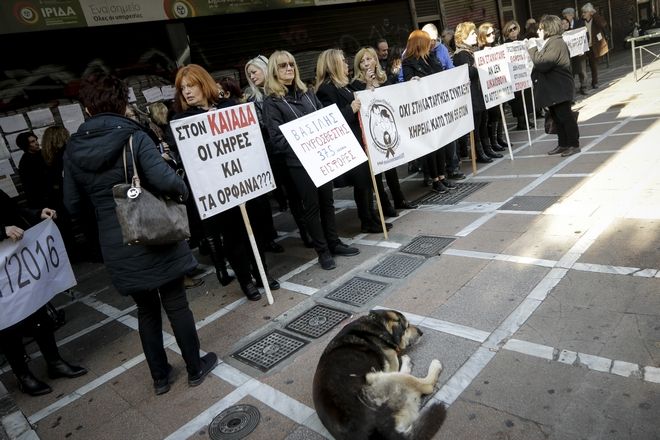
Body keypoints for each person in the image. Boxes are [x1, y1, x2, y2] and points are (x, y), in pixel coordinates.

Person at [63, 71, 218, 395]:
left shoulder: (73, 149)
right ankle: (194, 367)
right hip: (155, 233)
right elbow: (166, 182)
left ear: (87, 109)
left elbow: (73, 206)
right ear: (122, 104)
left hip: (117, 243)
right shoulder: (134, 137)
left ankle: (160, 378)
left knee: (145, 310)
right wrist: (183, 190)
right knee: (176, 303)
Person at [172, 64, 279, 298]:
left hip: (246, 184)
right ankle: (245, 280)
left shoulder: (230, 108)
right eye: (182, 89)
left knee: (256, 231)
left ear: (204, 84)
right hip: (219, 190)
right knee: (233, 238)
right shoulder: (183, 121)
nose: (187, 92)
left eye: (191, 86)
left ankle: (261, 272)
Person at [263, 50, 360, 270]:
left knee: (327, 202)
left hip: (321, 157)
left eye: (291, 64)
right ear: (274, 71)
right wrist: (303, 146)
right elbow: (277, 139)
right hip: (299, 164)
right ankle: (322, 251)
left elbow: (324, 119)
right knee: (312, 207)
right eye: (282, 66)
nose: (289, 68)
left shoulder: (307, 92)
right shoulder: (272, 102)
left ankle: (334, 243)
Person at [0, 189, 87, 396]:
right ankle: (23, 375)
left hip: (16, 264)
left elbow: (13, 209)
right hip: (4, 275)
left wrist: (37, 213)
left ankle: (54, 362)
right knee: (8, 326)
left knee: (38, 312)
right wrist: (2, 230)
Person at [315, 49, 393, 234]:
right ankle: (366, 220)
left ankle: (372, 216)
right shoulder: (326, 89)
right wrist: (350, 109)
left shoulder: (343, 85)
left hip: (360, 139)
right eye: (342, 61)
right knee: (362, 182)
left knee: (366, 181)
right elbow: (330, 119)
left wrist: (367, 87)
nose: (346, 64)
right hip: (349, 142)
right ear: (333, 64)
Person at [351, 46, 418, 213]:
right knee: (378, 172)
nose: (366, 63)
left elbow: (396, 95)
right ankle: (384, 204)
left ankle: (399, 198)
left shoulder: (384, 78)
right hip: (372, 133)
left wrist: (409, 85)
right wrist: (367, 84)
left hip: (388, 129)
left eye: (369, 59)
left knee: (391, 166)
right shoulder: (356, 84)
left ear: (375, 60)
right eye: (362, 61)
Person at [401, 30, 455, 193]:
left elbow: (440, 75)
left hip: (436, 108)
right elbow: (407, 82)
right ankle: (434, 179)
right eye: (428, 41)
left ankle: (442, 176)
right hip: (423, 111)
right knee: (432, 147)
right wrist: (413, 81)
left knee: (440, 144)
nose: (432, 43)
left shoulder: (431, 58)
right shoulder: (408, 62)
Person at [528, 15, 581, 157]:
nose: (538, 32)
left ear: (548, 29)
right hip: (553, 89)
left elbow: (542, 63)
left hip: (560, 88)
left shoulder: (556, 43)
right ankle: (563, 144)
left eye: (540, 29)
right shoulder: (551, 42)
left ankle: (574, 144)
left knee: (565, 117)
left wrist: (532, 49)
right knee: (557, 118)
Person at [421, 23, 465, 180]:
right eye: (428, 40)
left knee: (450, 135)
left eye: (434, 39)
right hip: (427, 105)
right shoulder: (415, 52)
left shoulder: (441, 50)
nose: (432, 43)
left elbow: (450, 68)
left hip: (443, 100)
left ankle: (452, 168)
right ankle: (431, 174)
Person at [453, 22, 493, 164]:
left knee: (483, 121)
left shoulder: (471, 51)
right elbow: (468, 73)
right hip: (472, 95)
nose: (475, 35)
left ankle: (487, 148)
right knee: (476, 124)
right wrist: (478, 65)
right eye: (472, 34)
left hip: (479, 92)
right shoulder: (461, 55)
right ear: (463, 37)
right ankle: (478, 152)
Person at [477, 22, 506, 157]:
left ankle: (498, 138)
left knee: (499, 113)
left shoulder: (496, 47)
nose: (492, 36)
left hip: (498, 85)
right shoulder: (478, 52)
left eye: (493, 33)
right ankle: (493, 142)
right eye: (489, 34)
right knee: (491, 115)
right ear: (482, 36)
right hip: (486, 89)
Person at [16, 132, 49, 209]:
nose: (37, 143)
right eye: (32, 142)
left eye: (36, 140)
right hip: (42, 199)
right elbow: (32, 186)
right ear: (25, 145)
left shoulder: (42, 153)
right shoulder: (25, 162)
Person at [581, 2, 608, 89]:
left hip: (593, 46)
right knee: (582, 67)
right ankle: (583, 84)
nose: (583, 14)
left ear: (590, 12)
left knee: (593, 65)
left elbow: (603, 24)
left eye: (585, 12)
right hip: (584, 47)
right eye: (583, 12)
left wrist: (595, 14)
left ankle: (594, 82)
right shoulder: (581, 21)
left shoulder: (596, 19)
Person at [563, 7, 588, 95]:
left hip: (580, 53)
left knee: (582, 71)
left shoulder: (580, 23)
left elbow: (585, 36)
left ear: (572, 15)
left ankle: (583, 87)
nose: (566, 17)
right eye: (564, 16)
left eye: (567, 15)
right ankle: (572, 91)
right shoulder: (563, 27)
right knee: (571, 72)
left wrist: (583, 48)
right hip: (570, 55)